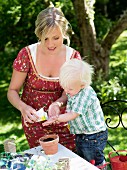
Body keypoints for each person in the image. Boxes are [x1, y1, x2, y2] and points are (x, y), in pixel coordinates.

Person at [7, 6, 81, 151]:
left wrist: (58, 104)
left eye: (56, 38)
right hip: (34, 122)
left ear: (64, 33)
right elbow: (12, 91)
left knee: (69, 161)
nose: (50, 44)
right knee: (44, 162)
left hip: (64, 120)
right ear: (38, 34)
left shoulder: (72, 57)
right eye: (45, 38)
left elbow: (70, 92)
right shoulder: (27, 55)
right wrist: (23, 108)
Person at [43, 59, 108, 167]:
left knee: (93, 162)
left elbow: (73, 114)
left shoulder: (85, 94)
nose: (66, 91)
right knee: (83, 161)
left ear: (82, 85)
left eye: (69, 89)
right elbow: (69, 99)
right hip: (82, 134)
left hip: (93, 136)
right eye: (64, 87)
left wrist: (56, 118)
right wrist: (56, 105)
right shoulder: (74, 90)